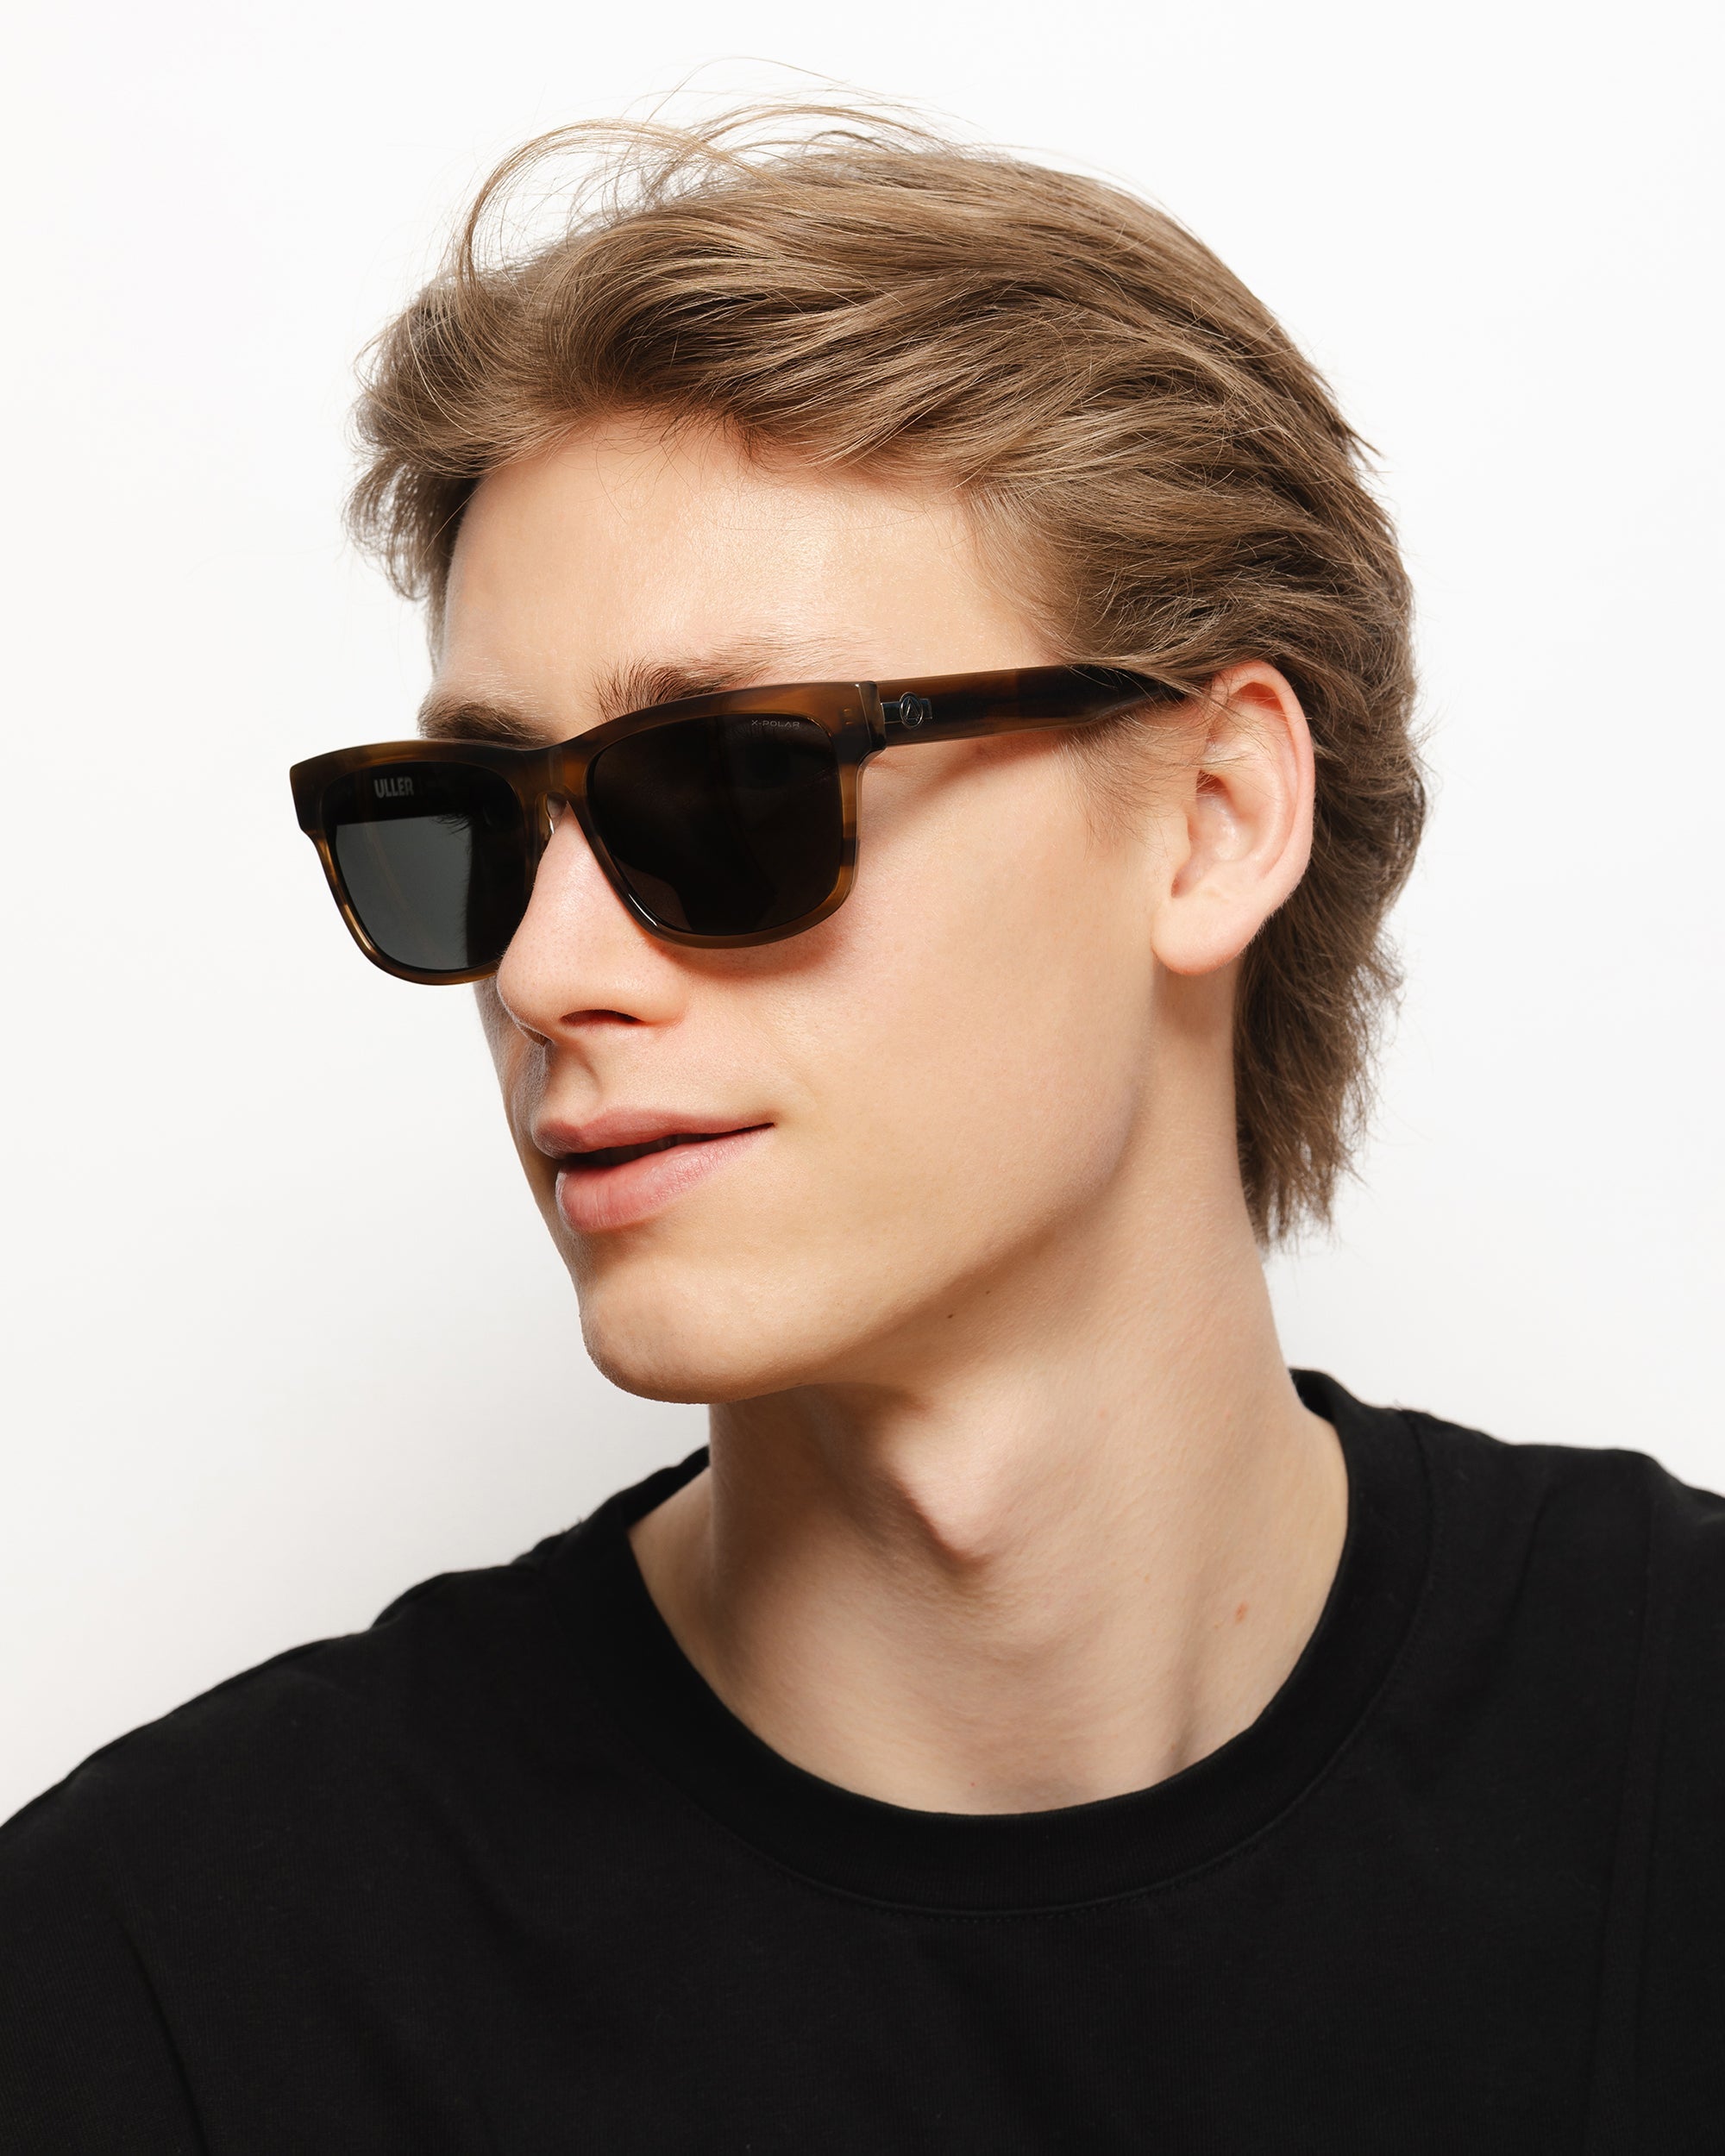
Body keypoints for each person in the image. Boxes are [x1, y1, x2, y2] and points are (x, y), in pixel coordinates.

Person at [2, 103, 1719, 2153]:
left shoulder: (1673, 1760)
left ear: (1213, 816)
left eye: (729, 786)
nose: (543, 971)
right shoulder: (158, 1985)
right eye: (469, 824)